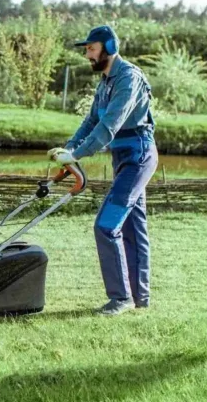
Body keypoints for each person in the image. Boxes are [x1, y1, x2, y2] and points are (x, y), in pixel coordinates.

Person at [48, 25, 158, 316]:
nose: (87, 55)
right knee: (134, 228)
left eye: (91, 49)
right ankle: (139, 300)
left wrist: (78, 153)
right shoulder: (106, 82)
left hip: (139, 156)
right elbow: (91, 121)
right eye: (86, 50)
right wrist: (68, 148)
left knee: (106, 225)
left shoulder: (128, 79)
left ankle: (120, 299)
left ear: (109, 47)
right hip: (123, 157)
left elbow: (109, 125)